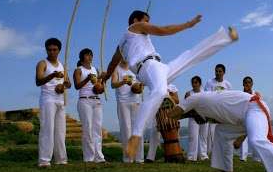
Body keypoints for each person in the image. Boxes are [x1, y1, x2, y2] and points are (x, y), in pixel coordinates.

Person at [101, 10, 238, 158]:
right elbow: (163, 30)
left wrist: (105, 77)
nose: (148, 24)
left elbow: (112, 64)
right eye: (146, 20)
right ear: (136, 20)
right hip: (148, 66)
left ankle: (225, 37)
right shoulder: (135, 27)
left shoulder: (122, 44)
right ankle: (136, 135)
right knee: (159, 92)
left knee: (190, 57)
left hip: (159, 68)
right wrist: (188, 24)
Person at [35, 38, 71, 167]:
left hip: (60, 99)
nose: (52, 52)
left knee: (61, 130)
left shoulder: (63, 65)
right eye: (49, 49)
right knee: (47, 129)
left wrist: (66, 84)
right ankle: (44, 160)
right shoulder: (42, 63)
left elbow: (68, 83)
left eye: (55, 49)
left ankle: (61, 159)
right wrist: (52, 76)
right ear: (46, 50)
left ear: (59, 50)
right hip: (48, 99)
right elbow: (38, 81)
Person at [73, 48, 106, 163]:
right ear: (82, 57)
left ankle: (99, 157)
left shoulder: (95, 69)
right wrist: (87, 78)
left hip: (96, 100)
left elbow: (99, 89)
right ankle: (89, 158)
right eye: (87, 55)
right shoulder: (78, 70)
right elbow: (77, 86)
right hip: (84, 100)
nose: (90, 57)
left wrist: (102, 79)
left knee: (97, 129)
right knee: (88, 128)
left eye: (91, 54)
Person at [111, 59, 144, 163]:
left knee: (138, 129)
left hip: (136, 101)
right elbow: (113, 84)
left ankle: (139, 158)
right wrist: (122, 82)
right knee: (126, 130)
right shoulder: (116, 69)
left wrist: (139, 87)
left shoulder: (134, 69)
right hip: (123, 102)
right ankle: (128, 158)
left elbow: (140, 85)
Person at [145, 84, 180, 162]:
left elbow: (177, 100)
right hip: (158, 114)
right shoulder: (155, 86)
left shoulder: (172, 86)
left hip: (170, 113)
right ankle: (150, 157)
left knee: (173, 136)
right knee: (154, 134)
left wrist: (168, 96)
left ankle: (174, 155)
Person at [204, 64, 233, 155]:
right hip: (213, 111)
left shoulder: (227, 84)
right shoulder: (209, 82)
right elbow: (207, 96)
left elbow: (230, 98)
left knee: (224, 131)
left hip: (224, 111)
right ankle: (212, 152)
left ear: (224, 72)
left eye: (220, 71)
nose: (218, 73)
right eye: (216, 71)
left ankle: (223, 151)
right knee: (212, 132)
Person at [184, 76, 208, 161]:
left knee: (203, 137)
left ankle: (203, 155)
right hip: (193, 117)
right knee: (193, 137)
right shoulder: (188, 93)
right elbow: (185, 107)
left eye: (196, 82)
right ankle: (191, 156)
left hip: (203, 117)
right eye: (193, 82)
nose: (194, 84)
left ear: (200, 83)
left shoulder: (204, 93)